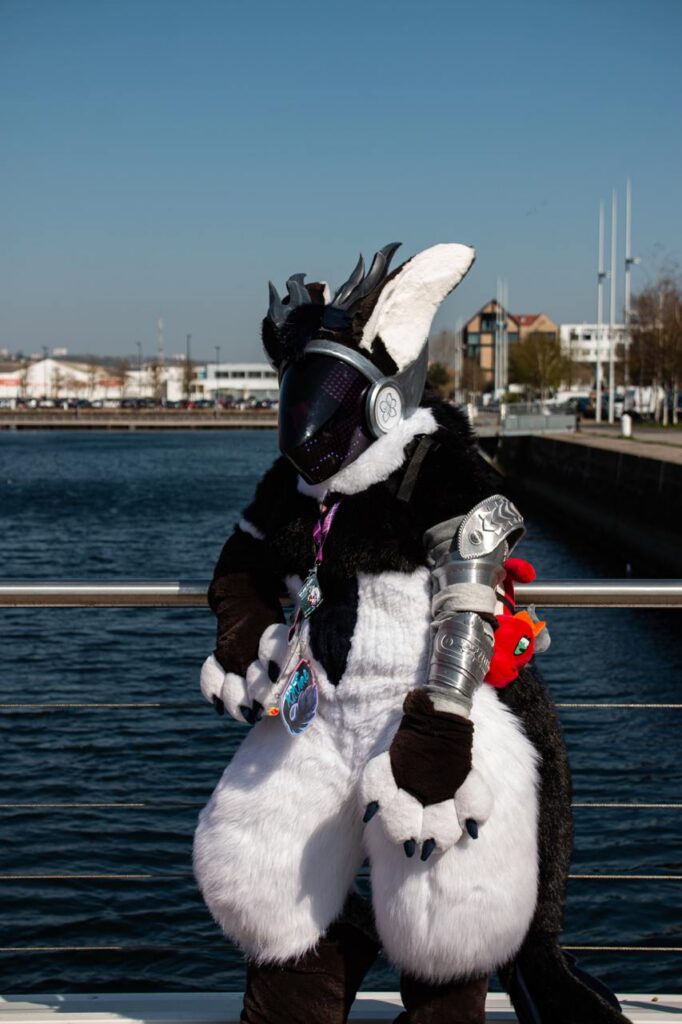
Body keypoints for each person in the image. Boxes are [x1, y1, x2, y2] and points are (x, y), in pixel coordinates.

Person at [193, 242, 630, 1024]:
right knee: (257, 866)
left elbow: (471, 594)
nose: (310, 415)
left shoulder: (432, 464)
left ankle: (444, 1005)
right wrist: (247, 636)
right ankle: (311, 979)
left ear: (382, 395)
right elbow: (243, 562)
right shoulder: (296, 487)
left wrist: (441, 726)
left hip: (422, 705)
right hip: (322, 711)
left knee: (444, 894)